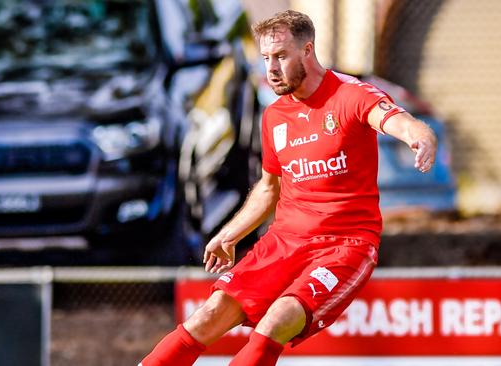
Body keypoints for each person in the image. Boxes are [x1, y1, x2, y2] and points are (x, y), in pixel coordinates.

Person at [139, 9, 437, 366]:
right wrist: (230, 234)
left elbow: (397, 121)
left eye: (280, 56)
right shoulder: (275, 116)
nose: (271, 68)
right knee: (208, 315)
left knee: (276, 320)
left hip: (344, 246)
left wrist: (420, 137)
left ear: (307, 51)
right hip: (283, 242)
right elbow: (268, 188)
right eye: (266, 58)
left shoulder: (350, 95)